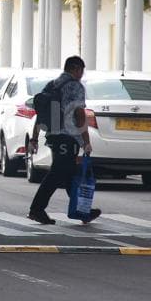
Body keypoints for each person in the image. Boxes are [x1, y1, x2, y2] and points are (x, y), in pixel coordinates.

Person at [27, 56, 101, 225]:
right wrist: (86, 141)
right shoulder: (75, 86)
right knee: (57, 174)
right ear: (75, 69)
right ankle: (36, 209)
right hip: (68, 137)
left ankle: (82, 210)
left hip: (53, 136)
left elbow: (42, 113)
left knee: (69, 174)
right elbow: (79, 114)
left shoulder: (52, 85)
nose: (82, 75)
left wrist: (34, 137)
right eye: (81, 71)